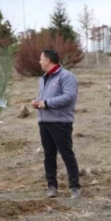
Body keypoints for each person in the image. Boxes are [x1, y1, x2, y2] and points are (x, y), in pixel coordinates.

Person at [31, 49, 80, 199]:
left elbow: (69, 97)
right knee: (49, 156)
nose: (39, 62)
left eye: (41, 59)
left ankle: (74, 187)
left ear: (48, 60)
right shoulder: (43, 78)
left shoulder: (66, 76)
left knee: (67, 155)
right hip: (44, 122)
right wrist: (37, 103)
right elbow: (44, 97)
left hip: (60, 122)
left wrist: (46, 103)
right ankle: (52, 186)